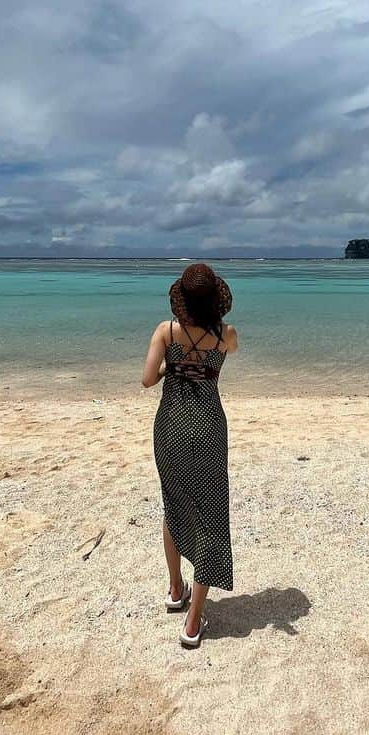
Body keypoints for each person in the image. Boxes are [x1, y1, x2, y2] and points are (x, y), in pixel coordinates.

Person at [142, 262, 239, 649]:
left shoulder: (166, 332)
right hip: (209, 429)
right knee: (211, 516)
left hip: (171, 427)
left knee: (175, 506)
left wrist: (170, 367)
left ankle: (174, 587)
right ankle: (194, 622)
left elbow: (147, 379)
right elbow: (222, 357)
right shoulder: (226, 335)